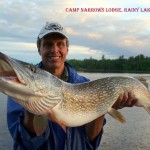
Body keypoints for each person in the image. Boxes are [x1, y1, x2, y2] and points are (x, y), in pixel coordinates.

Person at [7, 22, 138, 150]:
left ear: (67, 49)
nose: (54, 50)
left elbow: (91, 142)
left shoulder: (86, 85)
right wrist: (32, 108)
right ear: (39, 49)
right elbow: (25, 144)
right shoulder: (18, 91)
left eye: (60, 44)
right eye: (47, 44)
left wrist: (104, 106)